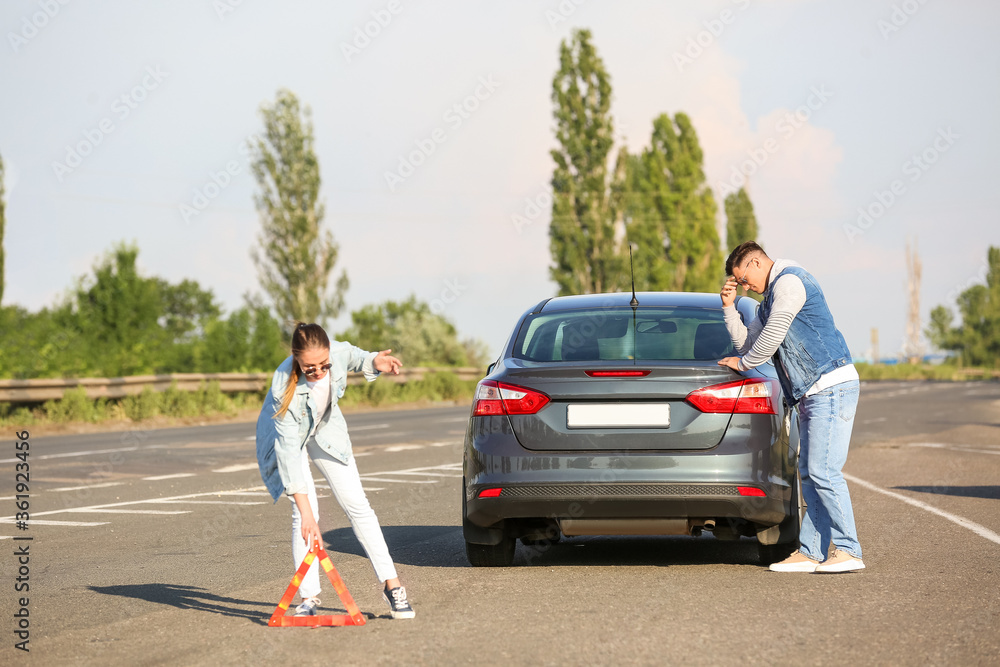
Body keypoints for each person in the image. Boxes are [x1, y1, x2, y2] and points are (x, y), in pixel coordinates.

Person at [718, 241, 864, 574]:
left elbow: (769, 342)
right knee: (810, 474)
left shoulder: (789, 284)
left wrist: (744, 364)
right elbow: (749, 343)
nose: (744, 286)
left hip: (829, 385)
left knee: (824, 471)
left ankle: (849, 549)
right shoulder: (769, 297)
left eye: (743, 279)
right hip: (811, 392)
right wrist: (729, 308)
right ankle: (812, 552)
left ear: (756, 262)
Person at [255, 322, 416, 618]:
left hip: (326, 431)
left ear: (329, 354)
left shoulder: (337, 353)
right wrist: (306, 514)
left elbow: (355, 356)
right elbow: (290, 454)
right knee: (306, 516)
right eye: (309, 368)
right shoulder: (283, 388)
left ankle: (392, 586)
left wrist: (374, 361)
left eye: (323, 365)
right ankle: (309, 597)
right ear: (296, 360)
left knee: (358, 505)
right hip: (289, 438)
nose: (317, 372)